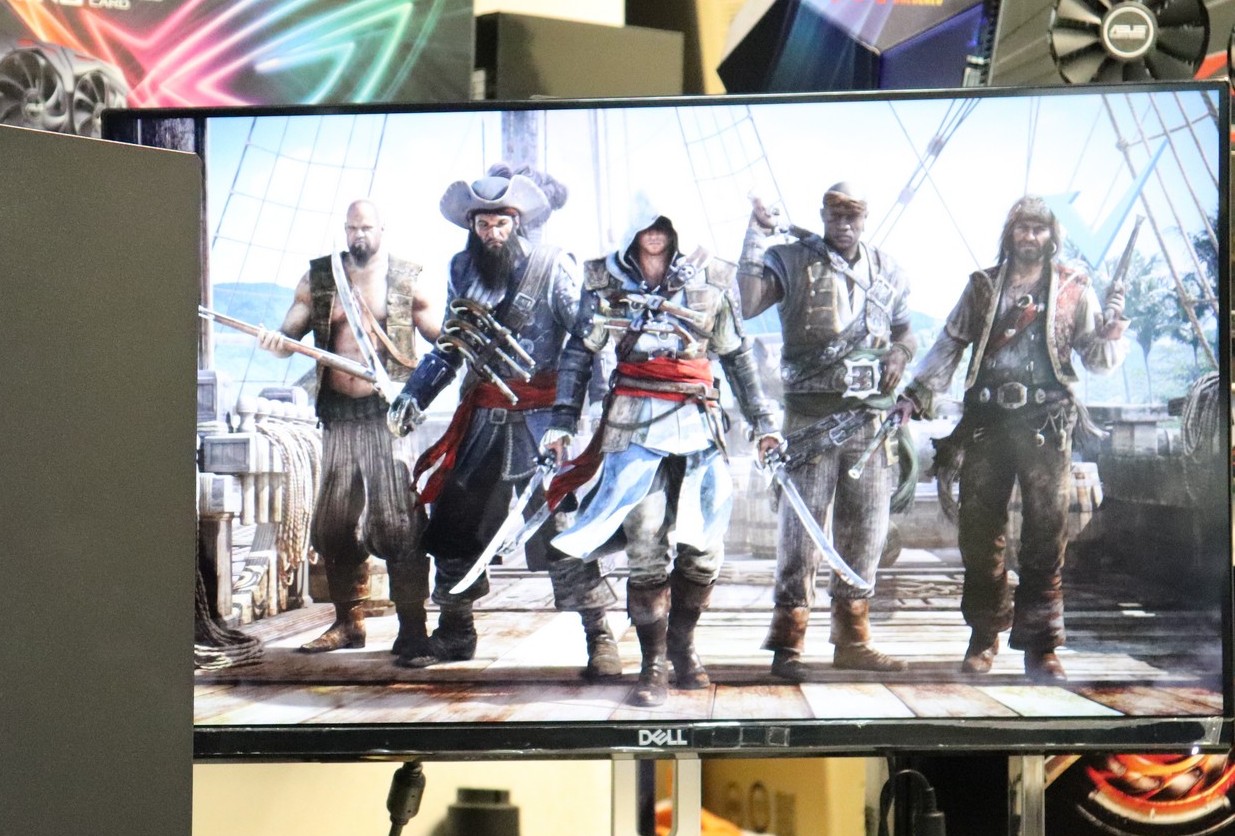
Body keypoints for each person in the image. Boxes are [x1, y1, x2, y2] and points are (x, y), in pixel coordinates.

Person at [386, 172, 618, 674]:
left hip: (543, 422)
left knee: (564, 528)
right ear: (473, 226)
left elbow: (586, 341)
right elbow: (454, 344)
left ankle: (599, 635)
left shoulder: (554, 266)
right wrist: (414, 393)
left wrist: (582, 411)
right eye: (484, 225)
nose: (492, 234)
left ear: (518, 222)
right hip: (484, 418)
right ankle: (456, 632)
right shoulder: (462, 268)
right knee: (454, 522)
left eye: (501, 224)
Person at [547, 214, 779, 708]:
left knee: (704, 545)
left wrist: (763, 422)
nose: (654, 235)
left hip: (698, 423)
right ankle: (652, 664)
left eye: (664, 226)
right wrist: (563, 420)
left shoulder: (714, 278)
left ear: (677, 232)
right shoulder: (604, 280)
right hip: (633, 425)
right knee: (646, 542)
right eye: (645, 227)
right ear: (631, 232)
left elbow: (736, 354)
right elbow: (579, 355)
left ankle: (682, 647)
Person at [904, 195, 1128, 679]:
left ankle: (1040, 646)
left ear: (1052, 237)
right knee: (979, 532)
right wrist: (916, 394)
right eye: (1022, 227)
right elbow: (949, 343)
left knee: (1046, 533)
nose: (1030, 236)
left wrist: (1110, 335)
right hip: (986, 421)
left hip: (1047, 422)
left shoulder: (1074, 287)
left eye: (1038, 228)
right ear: (1009, 234)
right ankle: (984, 636)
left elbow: (1095, 359)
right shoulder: (982, 287)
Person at [739, 183, 914, 682]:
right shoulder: (791, 260)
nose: (844, 224)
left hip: (868, 422)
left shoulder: (887, 270)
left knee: (865, 532)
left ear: (866, 218)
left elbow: (904, 328)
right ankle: (788, 645)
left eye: (853, 216)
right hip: (809, 422)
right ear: (822, 215)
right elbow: (748, 302)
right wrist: (755, 233)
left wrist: (901, 352)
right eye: (836, 215)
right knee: (800, 536)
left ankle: (853, 641)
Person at [260, 200, 443, 665]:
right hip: (338, 417)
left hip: (387, 419)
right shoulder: (320, 278)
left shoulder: (406, 279)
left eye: (366, 227)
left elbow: (442, 342)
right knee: (333, 525)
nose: (358, 235)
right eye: (351, 228)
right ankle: (348, 623)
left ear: (383, 229)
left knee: (399, 523)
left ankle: (413, 630)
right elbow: (289, 336)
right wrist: (276, 343)